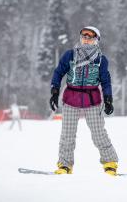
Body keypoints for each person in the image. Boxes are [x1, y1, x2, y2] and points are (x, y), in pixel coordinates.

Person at [50, 26, 118, 176]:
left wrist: (108, 98)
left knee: (99, 133)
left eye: (90, 37)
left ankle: (110, 163)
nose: (86, 39)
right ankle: (65, 165)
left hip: (92, 99)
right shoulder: (70, 55)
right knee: (67, 135)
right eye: (84, 36)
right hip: (71, 98)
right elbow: (58, 72)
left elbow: (106, 80)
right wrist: (54, 90)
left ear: (96, 41)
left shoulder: (100, 59)